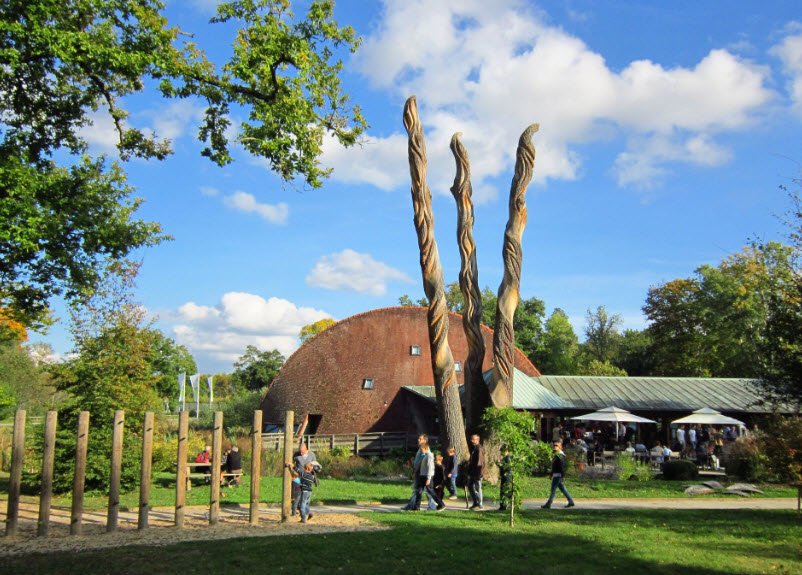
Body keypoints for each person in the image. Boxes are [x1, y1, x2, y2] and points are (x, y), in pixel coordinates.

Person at [403, 434, 436, 511]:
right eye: (418, 438)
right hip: (419, 472)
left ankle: (432, 506)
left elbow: (424, 463)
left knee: (426, 491)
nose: (418, 440)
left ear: (425, 440)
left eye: (420, 439)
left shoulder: (426, 450)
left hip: (422, 473)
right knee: (417, 490)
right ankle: (413, 505)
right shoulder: (420, 449)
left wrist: (417, 471)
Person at [410, 441, 445, 511]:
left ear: (426, 448)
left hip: (427, 477)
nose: (420, 450)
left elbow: (430, 468)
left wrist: (428, 479)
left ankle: (441, 504)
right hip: (422, 476)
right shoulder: (426, 455)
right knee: (418, 491)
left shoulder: (430, 456)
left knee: (431, 491)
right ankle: (416, 507)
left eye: (421, 449)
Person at [541, 440, 575, 509]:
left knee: (553, 490)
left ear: (560, 447)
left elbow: (561, 467)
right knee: (563, 489)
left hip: (558, 475)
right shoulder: (557, 455)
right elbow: (554, 466)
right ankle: (571, 501)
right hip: (556, 475)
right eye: (554, 445)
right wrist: (551, 474)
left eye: (556, 445)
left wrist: (562, 476)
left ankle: (548, 504)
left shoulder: (560, 456)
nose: (554, 447)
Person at [467, 434, 485, 510]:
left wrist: (479, 474)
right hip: (473, 472)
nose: (471, 440)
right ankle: (475, 502)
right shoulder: (474, 448)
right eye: (471, 439)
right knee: (470, 485)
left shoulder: (479, 449)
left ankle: (480, 504)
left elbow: (480, 463)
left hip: (478, 472)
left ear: (477, 440)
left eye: (473, 439)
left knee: (478, 487)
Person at [498, 445, 512, 512]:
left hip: (507, 478)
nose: (501, 453)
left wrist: (500, 466)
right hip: (505, 477)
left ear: (506, 451)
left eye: (502, 451)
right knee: (504, 492)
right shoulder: (505, 458)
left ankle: (504, 506)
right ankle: (503, 505)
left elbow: (508, 469)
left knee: (505, 492)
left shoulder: (508, 458)